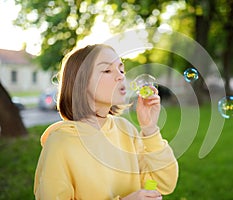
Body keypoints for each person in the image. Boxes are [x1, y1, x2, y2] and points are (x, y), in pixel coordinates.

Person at [34, 44, 179, 200]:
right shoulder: (61, 144)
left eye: (121, 70)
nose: (121, 76)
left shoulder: (126, 130)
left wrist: (150, 128)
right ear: (80, 83)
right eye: (107, 70)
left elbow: (162, 184)